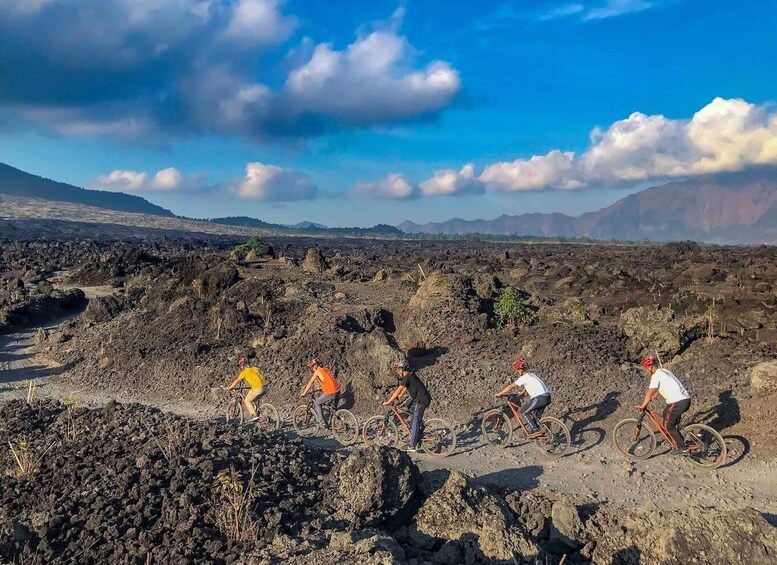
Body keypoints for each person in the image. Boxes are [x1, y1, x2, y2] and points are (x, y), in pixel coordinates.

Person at [637, 356, 691, 455]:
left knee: (668, 426)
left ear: (649, 367)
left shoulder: (656, 376)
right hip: (685, 399)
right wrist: (655, 396)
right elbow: (664, 385)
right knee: (665, 413)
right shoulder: (665, 371)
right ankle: (678, 440)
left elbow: (649, 392)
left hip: (677, 402)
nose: (646, 372)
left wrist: (643, 405)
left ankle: (682, 448)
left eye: (646, 369)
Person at [384, 358, 432, 452]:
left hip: (421, 400)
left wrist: (389, 401)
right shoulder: (410, 375)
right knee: (408, 405)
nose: (397, 371)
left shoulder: (407, 377)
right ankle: (417, 431)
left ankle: (412, 445)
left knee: (415, 421)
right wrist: (401, 395)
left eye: (398, 369)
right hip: (420, 397)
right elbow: (406, 387)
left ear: (402, 369)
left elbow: (398, 389)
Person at [495, 359, 551, 434]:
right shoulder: (531, 375)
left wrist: (499, 393)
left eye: (517, 370)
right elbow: (530, 384)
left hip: (539, 398)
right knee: (535, 416)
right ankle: (542, 429)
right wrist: (522, 392)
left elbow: (510, 386)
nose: (517, 372)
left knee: (523, 411)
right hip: (547, 397)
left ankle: (535, 430)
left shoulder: (523, 378)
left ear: (520, 370)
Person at [300, 358, 341, 425]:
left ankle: (322, 422)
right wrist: (322, 389)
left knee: (317, 403)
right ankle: (337, 424)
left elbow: (310, 382)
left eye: (312, 367)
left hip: (331, 392)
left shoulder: (317, 371)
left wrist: (304, 393)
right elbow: (329, 381)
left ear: (314, 366)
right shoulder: (325, 369)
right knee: (333, 410)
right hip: (338, 391)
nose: (312, 369)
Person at [225, 356, 265, 421]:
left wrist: (230, 388)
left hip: (258, 388)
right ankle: (258, 412)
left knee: (247, 400)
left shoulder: (244, 372)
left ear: (242, 365)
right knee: (253, 398)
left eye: (240, 366)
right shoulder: (255, 368)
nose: (240, 368)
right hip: (265, 387)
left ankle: (254, 416)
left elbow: (237, 381)